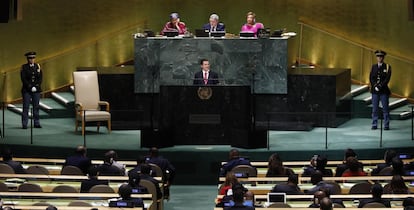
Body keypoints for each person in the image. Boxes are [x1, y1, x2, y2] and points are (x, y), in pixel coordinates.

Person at [370, 50, 392, 130]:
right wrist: (375, 85)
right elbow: (371, 78)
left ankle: (386, 124)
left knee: (385, 108)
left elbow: (387, 79)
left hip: (384, 91)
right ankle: (374, 124)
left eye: (381, 56)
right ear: (376, 57)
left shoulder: (387, 66)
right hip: (375, 91)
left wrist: (380, 86)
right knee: (375, 108)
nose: (379, 58)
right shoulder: (374, 66)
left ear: (383, 57)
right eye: (378, 56)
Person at [20, 51, 42, 129]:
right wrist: (30, 87)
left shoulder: (38, 66)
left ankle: (36, 123)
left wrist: (36, 86)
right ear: (27, 59)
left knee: (36, 106)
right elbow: (23, 79)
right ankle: (24, 123)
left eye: (33, 58)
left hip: (36, 90)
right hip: (27, 90)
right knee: (26, 107)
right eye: (30, 58)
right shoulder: (24, 67)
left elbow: (40, 78)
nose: (32, 59)